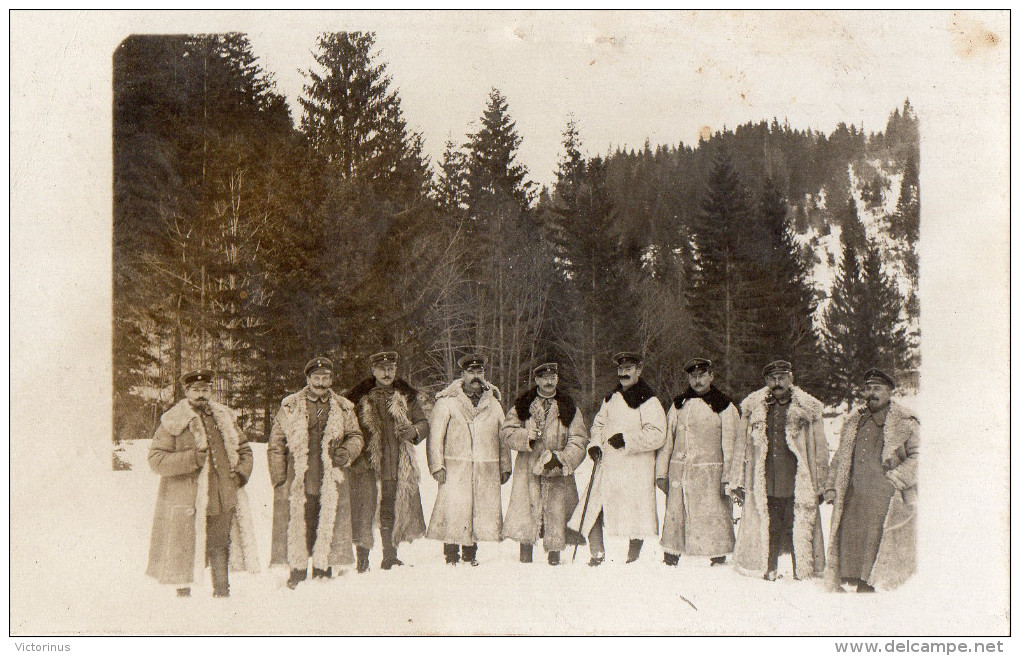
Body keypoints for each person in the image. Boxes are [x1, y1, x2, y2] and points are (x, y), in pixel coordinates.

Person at [146, 370, 259, 598]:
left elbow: (244, 449)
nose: (201, 394)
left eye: (205, 389)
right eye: (195, 390)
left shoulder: (225, 417)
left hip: (222, 495)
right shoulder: (173, 420)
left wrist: (240, 476)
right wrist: (191, 459)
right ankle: (183, 594)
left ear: (211, 391)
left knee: (220, 543)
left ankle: (222, 591)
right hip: (188, 498)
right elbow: (156, 460)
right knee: (184, 544)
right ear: (186, 392)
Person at [268, 357, 364, 589]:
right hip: (298, 478)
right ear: (308, 379)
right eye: (316, 378)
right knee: (299, 522)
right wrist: (279, 477)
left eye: (325, 378)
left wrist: (346, 452)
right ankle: (297, 572)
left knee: (327, 521)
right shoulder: (290, 405)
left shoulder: (343, 407)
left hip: (330, 477)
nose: (321, 383)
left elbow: (356, 436)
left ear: (331, 379)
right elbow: (276, 443)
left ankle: (322, 570)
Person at [729, 360, 829, 581]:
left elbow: (821, 450)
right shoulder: (754, 409)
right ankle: (769, 567)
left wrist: (822, 483)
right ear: (766, 381)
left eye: (782, 378)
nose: (777, 383)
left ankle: (800, 570)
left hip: (796, 479)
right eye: (772, 379)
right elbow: (741, 448)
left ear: (790, 378)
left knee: (797, 525)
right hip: (765, 480)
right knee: (769, 525)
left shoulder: (807, 409)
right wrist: (737, 480)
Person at [823, 368, 918, 592]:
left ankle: (872, 586)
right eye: (868, 388)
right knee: (853, 538)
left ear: (889, 392)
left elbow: (920, 456)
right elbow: (840, 458)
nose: (871, 393)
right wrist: (830, 485)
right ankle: (856, 580)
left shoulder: (905, 422)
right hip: (855, 495)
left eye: (877, 389)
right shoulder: (854, 421)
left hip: (886, 496)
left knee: (879, 541)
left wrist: (899, 477)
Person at [569, 352, 667, 566]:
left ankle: (633, 557)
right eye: (621, 369)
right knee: (594, 505)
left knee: (636, 513)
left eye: (629, 369)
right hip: (610, 465)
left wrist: (628, 440)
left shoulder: (649, 401)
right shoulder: (610, 399)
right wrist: (595, 444)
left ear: (639, 370)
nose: (624, 373)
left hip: (635, 468)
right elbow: (599, 425)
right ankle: (597, 553)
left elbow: (658, 434)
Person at [345, 351, 429, 573]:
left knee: (390, 509)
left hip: (395, 463)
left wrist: (413, 430)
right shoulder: (358, 398)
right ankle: (362, 559)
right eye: (382, 369)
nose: (387, 373)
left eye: (391, 368)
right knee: (364, 510)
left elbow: (423, 422)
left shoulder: (405, 396)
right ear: (373, 371)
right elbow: (347, 429)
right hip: (366, 464)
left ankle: (390, 557)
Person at [426, 353, 511, 565]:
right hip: (455, 466)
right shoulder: (447, 403)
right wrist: (437, 465)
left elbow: (503, 437)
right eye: (471, 372)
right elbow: (435, 437)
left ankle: (471, 553)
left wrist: (505, 466)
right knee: (454, 508)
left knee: (478, 509)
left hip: (486, 465)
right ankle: (451, 554)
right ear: (462, 374)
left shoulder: (493, 404)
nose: (475, 376)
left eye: (479, 371)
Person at [501, 362, 589, 566]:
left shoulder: (568, 406)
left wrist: (562, 458)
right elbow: (506, 433)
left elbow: (579, 439)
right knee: (527, 512)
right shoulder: (523, 405)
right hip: (528, 467)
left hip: (557, 468)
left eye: (553, 377)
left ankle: (554, 557)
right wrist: (525, 437)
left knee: (557, 513)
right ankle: (525, 556)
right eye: (544, 378)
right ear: (537, 380)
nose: (549, 382)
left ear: (557, 379)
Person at [655, 358, 739, 567]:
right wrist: (661, 473)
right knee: (676, 512)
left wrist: (728, 478)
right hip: (680, 473)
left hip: (711, 475)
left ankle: (717, 555)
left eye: (702, 375)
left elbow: (732, 446)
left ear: (711, 376)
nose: (698, 380)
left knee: (714, 513)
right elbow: (667, 442)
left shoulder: (724, 406)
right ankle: (672, 554)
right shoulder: (678, 405)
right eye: (693, 376)